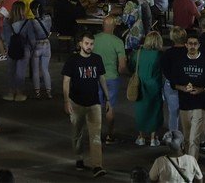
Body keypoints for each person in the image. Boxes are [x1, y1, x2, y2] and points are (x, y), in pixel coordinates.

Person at [62, 32, 110, 178]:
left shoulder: (97, 59)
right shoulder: (73, 60)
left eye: (91, 44)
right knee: (77, 134)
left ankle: (97, 166)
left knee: (95, 136)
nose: (89, 46)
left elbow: (101, 78)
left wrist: (107, 98)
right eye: (87, 43)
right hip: (76, 103)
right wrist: (66, 101)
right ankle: (79, 158)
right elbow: (66, 81)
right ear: (80, 44)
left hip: (94, 103)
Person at [171, 32, 205, 160]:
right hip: (184, 104)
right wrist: (182, 88)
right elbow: (173, 83)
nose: (192, 46)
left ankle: (191, 165)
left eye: (195, 44)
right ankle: (187, 161)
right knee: (187, 138)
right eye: (190, 43)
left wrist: (202, 89)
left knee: (193, 139)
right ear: (186, 45)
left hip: (200, 104)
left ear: (199, 45)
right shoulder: (179, 62)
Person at [94, 15, 127, 144]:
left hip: (96, 77)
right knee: (110, 107)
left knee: (96, 107)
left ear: (102, 25)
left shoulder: (94, 39)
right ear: (114, 26)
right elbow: (122, 66)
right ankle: (109, 135)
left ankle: (96, 135)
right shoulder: (118, 42)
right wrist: (120, 73)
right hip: (112, 78)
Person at [135, 31, 165, 148]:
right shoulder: (160, 55)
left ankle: (141, 137)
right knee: (155, 111)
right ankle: (153, 138)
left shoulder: (138, 53)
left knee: (141, 111)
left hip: (141, 85)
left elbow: (132, 66)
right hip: (155, 86)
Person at [162, 27, 189, 133]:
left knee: (173, 113)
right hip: (187, 85)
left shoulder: (168, 53)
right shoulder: (189, 52)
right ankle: (189, 135)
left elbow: (165, 71)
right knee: (188, 112)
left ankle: (174, 135)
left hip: (172, 85)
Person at [3, 1, 30, 102]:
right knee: (20, 71)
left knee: (11, 71)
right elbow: (30, 37)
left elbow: (5, 37)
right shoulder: (27, 22)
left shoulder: (7, 22)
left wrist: (7, 47)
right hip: (24, 48)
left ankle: (11, 92)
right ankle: (19, 93)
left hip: (11, 48)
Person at [27, 2, 53, 99]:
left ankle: (37, 92)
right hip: (47, 44)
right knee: (45, 69)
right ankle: (49, 92)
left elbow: (31, 38)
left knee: (35, 71)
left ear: (33, 10)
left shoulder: (32, 22)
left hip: (37, 45)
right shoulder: (49, 18)